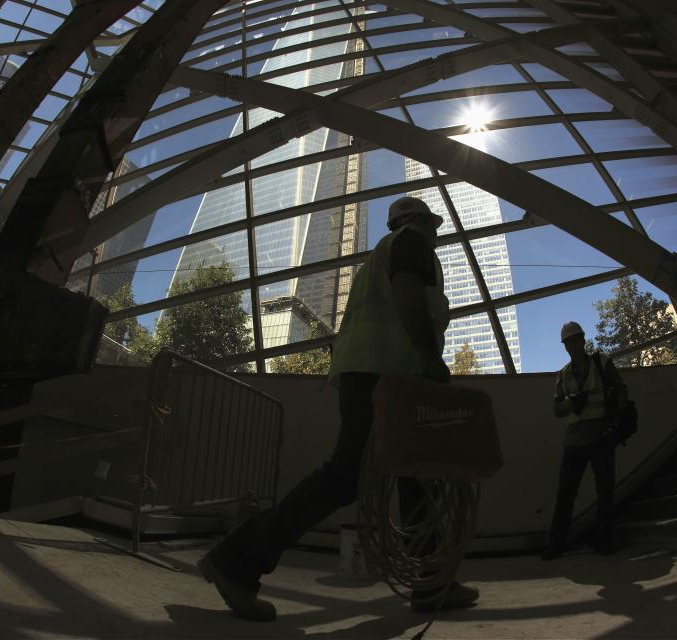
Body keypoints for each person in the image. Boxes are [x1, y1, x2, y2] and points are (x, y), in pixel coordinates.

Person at [197, 196, 479, 620]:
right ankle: (236, 561)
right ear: (418, 221)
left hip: (370, 373)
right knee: (347, 476)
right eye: (433, 224)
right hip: (387, 374)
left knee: (414, 475)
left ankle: (431, 583)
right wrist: (428, 357)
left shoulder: (379, 257)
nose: (437, 232)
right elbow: (407, 294)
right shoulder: (411, 242)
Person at [542, 321, 627, 561]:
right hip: (577, 440)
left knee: (603, 489)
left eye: (574, 341)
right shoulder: (565, 374)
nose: (572, 346)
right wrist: (571, 403)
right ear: (566, 346)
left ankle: (599, 539)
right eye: (569, 343)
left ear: (582, 340)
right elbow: (557, 409)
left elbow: (620, 390)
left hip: (599, 436)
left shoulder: (600, 363)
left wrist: (613, 423)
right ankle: (561, 543)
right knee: (567, 493)